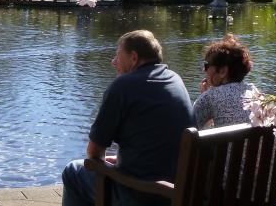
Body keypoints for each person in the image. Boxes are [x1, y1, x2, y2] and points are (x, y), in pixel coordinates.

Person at [61, 30, 194, 206]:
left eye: (118, 55)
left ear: (134, 58)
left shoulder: (123, 86)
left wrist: (115, 166)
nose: (113, 62)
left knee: (73, 171)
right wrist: (124, 160)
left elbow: (94, 153)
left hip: (142, 195)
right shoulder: (175, 80)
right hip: (177, 191)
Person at [193, 34, 254, 129]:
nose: (204, 70)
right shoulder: (254, 92)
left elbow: (189, 128)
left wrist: (204, 97)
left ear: (223, 71)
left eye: (206, 65)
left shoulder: (209, 97)